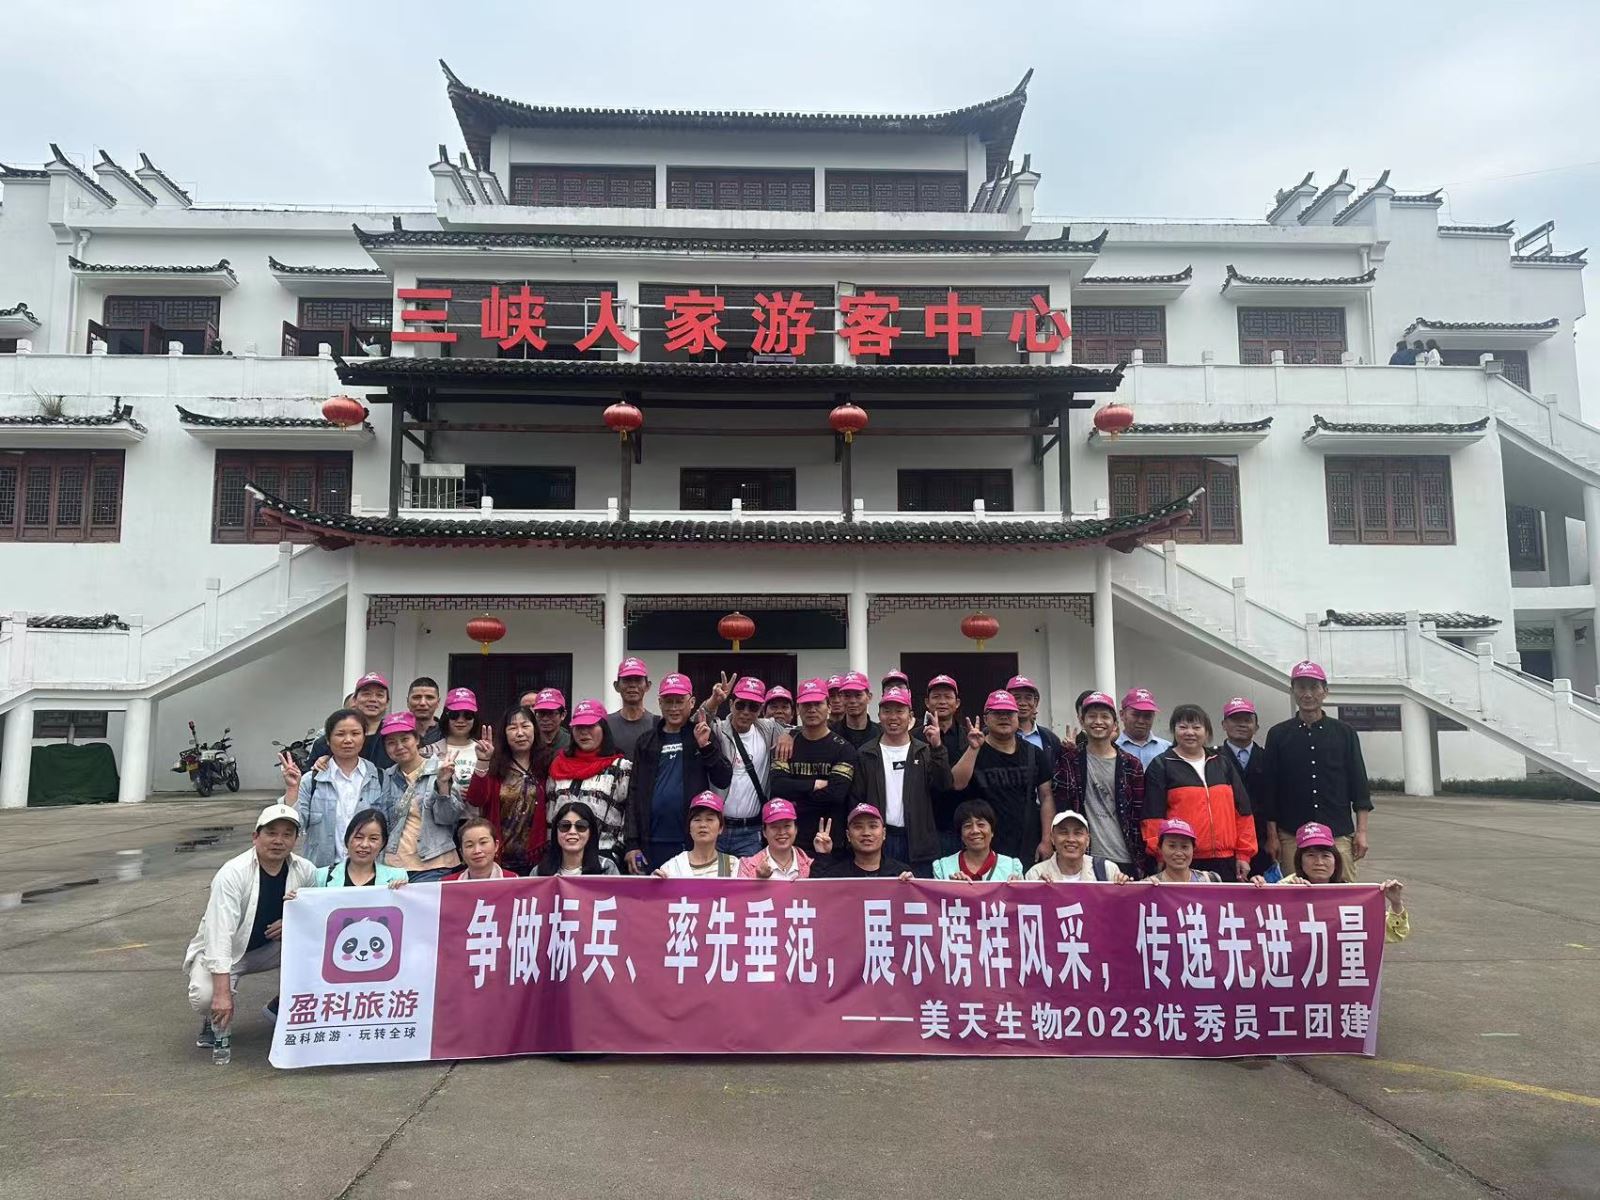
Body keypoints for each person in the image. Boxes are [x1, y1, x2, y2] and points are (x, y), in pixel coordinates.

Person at [185, 803, 317, 1050]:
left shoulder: (306, 870)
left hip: (270, 949)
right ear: (255, 836)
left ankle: (282, 1006)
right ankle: (213, 1018)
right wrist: (222, 995)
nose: (278, 841)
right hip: (228, 951)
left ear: (295, 840)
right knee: (206, 997)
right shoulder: (232, 873)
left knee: (318, 947)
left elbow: (316, 913)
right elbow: (220, 935)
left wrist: (292, 922)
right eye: (271, 833)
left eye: (287, 834)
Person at [1260, 660, 1372, 879]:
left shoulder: (1344, 733)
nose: (1308, 694)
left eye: (1314, 687)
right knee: (1294, 893)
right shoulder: (1278, 735)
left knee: (1343, 892)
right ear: (1292, 691)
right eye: (1301, 687)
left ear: (1325, 691)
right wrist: (1272, 836)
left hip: (1337, 832)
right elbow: (1270, 790)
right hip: (1292, 834)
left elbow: (1359, 786)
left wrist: (1361, 832)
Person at [623, 674, 729, 873]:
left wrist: (706, 746)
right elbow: (634, 793)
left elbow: (723, 779)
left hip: (691, 842)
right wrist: (632, 843)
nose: (673, 708)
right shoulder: (646, 741)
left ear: (692, 702)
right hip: (650, 842)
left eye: (679, 701)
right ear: (659, 703)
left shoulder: (701, 734)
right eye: (668, 701)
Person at [1141, 704, 1257, 881]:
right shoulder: (1161, 765)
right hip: (1181, 859)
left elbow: (1243, 812)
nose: (1190, 732)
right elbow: (1152, 817)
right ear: (1174, 730)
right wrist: (1160, 854)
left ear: (1207, 731)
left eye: (1196, 727)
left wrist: (1244, 854)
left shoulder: (1222, 763)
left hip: (1226, 859)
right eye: (1183, 727)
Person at [850, 685, 953, 877]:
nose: (893, 717)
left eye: (899, 711)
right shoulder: (866, 753)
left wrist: (938, 747)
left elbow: (944, 785)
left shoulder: (924, 751)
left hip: (917, 841)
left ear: (910, 716)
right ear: (879, 716)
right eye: (887, 711)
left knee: (917, 894)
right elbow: (856, 799)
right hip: (879, 840)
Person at [951, 689, 1054, 865]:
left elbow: (1046, 797)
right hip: (983, 844)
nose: (1004, 717)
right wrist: (973, 749)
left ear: (1017, 717)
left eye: (1009, 713)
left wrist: (1046, 840)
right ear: (986, 718)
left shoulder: (1034, 753)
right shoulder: (972, 750)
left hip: (1027, 844)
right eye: (997, 713)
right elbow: (957, 783)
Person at [1259, 822, 1409, 941]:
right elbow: (1260, 927)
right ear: (1300, 861)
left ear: (1336, 861)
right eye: (1311, 855)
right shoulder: (1285, 887)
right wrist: (1257, 890)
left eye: (1325, 856)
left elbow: (1393, 934)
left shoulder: (1351, 895)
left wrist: (1396, 903)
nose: (1319, 862)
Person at [1052, 690, 1144, 878]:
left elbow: (1139, 814)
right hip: (1084, 858)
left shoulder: (1131, 765)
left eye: (1105, 717)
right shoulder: (1070, 760)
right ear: (1082, 720)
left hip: (1125, 855)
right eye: (1092, 716)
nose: (1098, 721)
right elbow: (1062, 803)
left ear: (1115, 723)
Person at [285, 708, 385, 869]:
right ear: (328, 739)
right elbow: (295, 824)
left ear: (364, 737)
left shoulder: (380, 779)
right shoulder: (311, 781)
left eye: (355, 733)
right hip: (323, 872)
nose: (348, 740)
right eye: (340, 734)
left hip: (369, 872)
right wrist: (292, 789)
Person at [768, 678, 859, 855]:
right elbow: (778, 787)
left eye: (817, 704)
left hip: (830, 840)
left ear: (829, 707)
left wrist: (797, 797)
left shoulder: (843, 748)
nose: (812, 709)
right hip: (791, 839)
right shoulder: (786, 745)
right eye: (806, 705)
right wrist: (814, 784)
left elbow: (836, 794)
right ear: (797, 709)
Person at [377, 712, 468, 882]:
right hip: (392, 868)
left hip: (435, 865)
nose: (399, 746)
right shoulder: (385, 777)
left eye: (405, 739)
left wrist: (442, 784)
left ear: (417, 739)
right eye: (391, 743)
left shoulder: (441, 769)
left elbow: (449, 818)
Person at [465, 705, 554, 876]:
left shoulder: (547, 764)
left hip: (537, 858)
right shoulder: (495, 766)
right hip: (499, 857)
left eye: (525, 726)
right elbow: (475, 799)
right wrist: (483, 761)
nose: (520, 733)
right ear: (504, 734)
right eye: (512, 728)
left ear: (535, 730)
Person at [707, 673, 789, 858]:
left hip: (751, 832)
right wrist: (714, 701)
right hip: (717, 828)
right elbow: (696, 721)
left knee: (748, 877)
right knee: (717, 876)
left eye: (753, 707)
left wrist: (788, 735)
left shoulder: (769, 729)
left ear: (760, 710)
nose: (745, 711)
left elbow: (803, 729)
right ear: (731, 704)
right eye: (740, 705)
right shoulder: (718, 729)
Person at [546, 698, 633, 866]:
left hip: (604, 856)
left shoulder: (621, 768)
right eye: (579, 727)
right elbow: (551, 815)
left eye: (591, 726)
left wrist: (618, 851)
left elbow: (629, 816)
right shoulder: (558, 765)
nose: (584, 732)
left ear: (604, 728)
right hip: (563, 858)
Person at [1221, 696, 1276, 876]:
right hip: (1225, 841)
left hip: (1262, 840)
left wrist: (1272, 838)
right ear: (1224, 725)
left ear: (1256, 726)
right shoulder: (1212, 759)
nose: (1241, 724)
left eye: (1247, 720)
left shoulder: (1268, 758)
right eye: (1235, 720)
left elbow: (1274, 800)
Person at [306, 671, 394, 771]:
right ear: (355, 700)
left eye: (379, 695)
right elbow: (310, 775)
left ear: (387, 702)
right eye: (366, 694)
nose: (373, 699)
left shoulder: (393, 737)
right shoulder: (325, 742)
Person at [311, 808, 409, 888]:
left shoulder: (397, 877)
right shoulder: (322, 876)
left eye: (373, 839)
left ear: (383, 843)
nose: (364, 845)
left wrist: (401, 892)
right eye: (358, 837)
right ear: (347, 839)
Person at [1025, 809, 1131, 882]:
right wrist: (1037, 891)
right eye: (1063, 832)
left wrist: (1124, 888)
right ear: (1052, 838)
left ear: (1087, 840)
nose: (1071, 839)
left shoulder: (1108, 871)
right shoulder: (1035, 874)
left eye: (1078, 833)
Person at [811, 804, 913, 879]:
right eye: (858, 827)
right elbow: (817, 894)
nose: (866, 833)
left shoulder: (900, 872)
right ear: (848, 835)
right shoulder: (837, 874)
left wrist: (911, 888)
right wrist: (822, 855)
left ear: (884, 833)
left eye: (873, 826)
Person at [932, 799, 1025, 881]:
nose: (975, 831)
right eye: (968, 826)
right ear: (961, 835)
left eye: (981, 825)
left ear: (992, 831)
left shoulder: (1011, 867)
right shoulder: (943, 867)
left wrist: (1017, 890)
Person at [652, 792, 741, 878]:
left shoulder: (732, 865)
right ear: (689, 828)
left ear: (720, 828)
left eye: (709, 819)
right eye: (697, 819)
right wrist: (653, 883)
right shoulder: (672, 867)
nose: (703, 825)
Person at [924, 673, 964, 854]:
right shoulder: (914, 737)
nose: (942, 702)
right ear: (927, 702)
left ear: (957, 703)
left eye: (948, 697)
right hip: (925, 823)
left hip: (961, 824)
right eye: (936, 697)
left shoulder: (968, 737)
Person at [534, 801, 622, 876]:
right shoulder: (539, 872)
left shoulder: (607, 869)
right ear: (555, 832)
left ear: (590, 833)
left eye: (581, 826)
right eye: (565, 825)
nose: (572, 831)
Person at [737, 799, 814, 880]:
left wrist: (822, 854)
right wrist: (759, 879)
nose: (782, 832)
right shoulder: (747, 866)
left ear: (796, 829)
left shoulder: (810, 863)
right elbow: (742, 889)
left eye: (787, 826)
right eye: (774, 827)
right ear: (764, 832)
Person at [1145, 817, 1224, 883]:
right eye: (1172, 846)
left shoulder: (1210, 880)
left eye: (1184, 846)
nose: (1179, 853)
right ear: (1160, 849)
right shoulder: (1149, 885)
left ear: (1193, 849)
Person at [605, 656, 654, 760]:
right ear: (616, 686)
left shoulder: (658, 724)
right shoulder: (605, 724)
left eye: (638, 680)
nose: (632, 685)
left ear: (647, 686)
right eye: (627, 680)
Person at [1009, 675, 1062, 762]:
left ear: (1036, 702)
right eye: (1017, 698)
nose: (1022, 703)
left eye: (1028, 698)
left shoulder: (1050, 738)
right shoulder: (993, 736)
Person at [436, 687, 482, 788]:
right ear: (446, 717)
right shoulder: (430, 751)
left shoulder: (484, 751)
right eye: (454, 715)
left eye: (468, 715)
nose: (460, 720)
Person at [443, 817, 514, 882]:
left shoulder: (513, 880)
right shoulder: (447, 884)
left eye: (483, 842)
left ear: (496, 845)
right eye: (469, 845)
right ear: (461, 853)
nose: (477, 851)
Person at [1115, 688, 1171, 769]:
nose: (1141, 721)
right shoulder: (1111, 748)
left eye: (1147, 716)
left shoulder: (1167, 749)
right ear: (1122, 715)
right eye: (1135, 714)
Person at [832, 671, 881, 748]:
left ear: (869, 697)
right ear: (841, 698)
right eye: (847, 696)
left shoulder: (881, 733)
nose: (852, 701)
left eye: (858, 695)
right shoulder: (831, 733)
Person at [523, 687, 572, 753]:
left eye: (551, 713)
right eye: (541, 713)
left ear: (563, 715)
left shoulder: (571, 744)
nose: (545, 718)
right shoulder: (527, 741)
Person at [405, 676, 444, 748]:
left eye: (429, 697)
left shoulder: (447, 733)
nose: (422, 703)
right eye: (416, 697)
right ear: (408, 702)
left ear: (438, 703)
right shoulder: (396, 733)